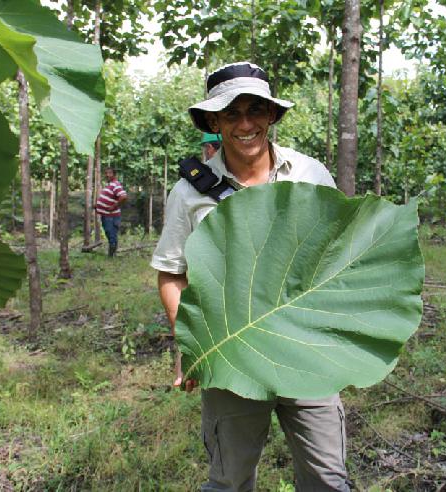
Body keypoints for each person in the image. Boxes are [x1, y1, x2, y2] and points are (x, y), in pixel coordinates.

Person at [150, 62, 350, 491]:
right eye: (231, 114)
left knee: (327, 480)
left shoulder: (310, 175)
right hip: (231, 351)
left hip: (303, 347)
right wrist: (192, 344)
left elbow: (339, 254)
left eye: (256, 110)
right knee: (230, 479)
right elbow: (172, 274)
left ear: (271, 116)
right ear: (213, 122)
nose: (245, 124)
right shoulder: (190, 192)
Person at [95, 167, 127, 256]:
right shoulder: (109, 185)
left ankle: (111, 255)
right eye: (106, 173)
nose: (107, 175)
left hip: (111, 216)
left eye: (110, 173)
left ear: (114, 174)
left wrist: (114, 206)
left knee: (111, 234)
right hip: (107, 215)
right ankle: (112, 254)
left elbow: (123, 197)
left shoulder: (116, 184)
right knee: (109, 234)